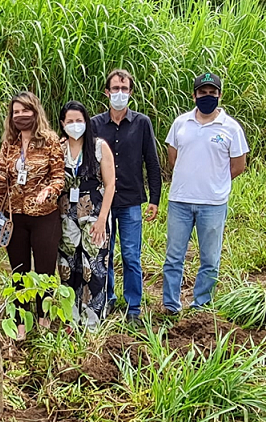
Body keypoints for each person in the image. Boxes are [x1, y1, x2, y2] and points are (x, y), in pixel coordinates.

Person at [162, 73, 248, 314]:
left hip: (213, 203)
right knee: (173, 257)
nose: (207, 97)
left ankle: (201, 305)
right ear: (194, 95)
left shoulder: (231, 128)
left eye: (212, 93)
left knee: (210, 260)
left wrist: (215, 180)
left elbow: (238, 165)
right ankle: (171, 304)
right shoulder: (181, 123)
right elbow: (173, 157)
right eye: (203, 93)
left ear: (219, 95)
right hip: (180, 201)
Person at [90, 69, 162, 326]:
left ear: (130, 92)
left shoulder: (141, 123)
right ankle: (107, 299)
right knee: (105, 253)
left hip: (131, 200)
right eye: (115, 89)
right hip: (103, 203)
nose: (119, 94)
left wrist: (155, 198)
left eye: (125, 89)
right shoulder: (95, 124)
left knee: (131, 255)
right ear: (106, 93)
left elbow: (151, 162)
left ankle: (134, 307)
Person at [0, 92, 66, 340]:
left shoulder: (50, 141)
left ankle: (44, 319)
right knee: (19, 270)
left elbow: (59, 176)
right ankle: (21, 322)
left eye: (26, 111)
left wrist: (49, 190)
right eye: (16, 112)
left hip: (44, 214)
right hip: (15, 215)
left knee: (45, 270)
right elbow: (2, 174)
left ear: (36, 112)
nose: (21, 116)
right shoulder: (9, 144)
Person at [57, 101, 115, 330]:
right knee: (68, 267)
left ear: (86, 122)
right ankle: (70, 318)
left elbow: (110, 185)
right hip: (65, 216)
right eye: (69, 121)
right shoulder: (58, 148)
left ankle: (92, 321)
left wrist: (102, 219)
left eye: (79, 121)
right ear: (62, 124)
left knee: (94, 266)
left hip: (94, 215)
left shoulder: (99, 147)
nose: (74, 125)